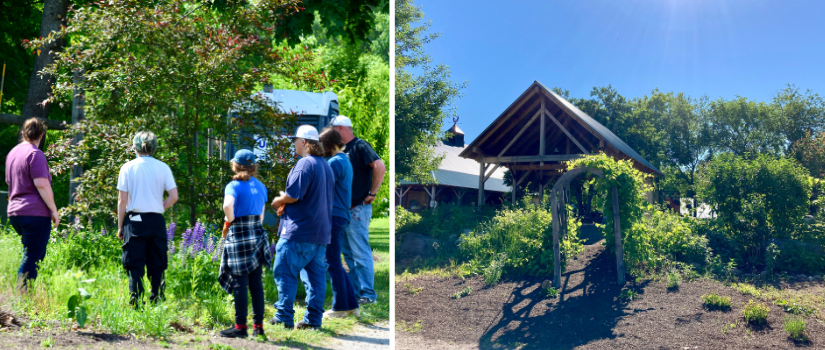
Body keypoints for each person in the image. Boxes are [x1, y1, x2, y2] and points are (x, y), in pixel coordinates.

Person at [269, 125, 334, 330]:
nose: (294, 144)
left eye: (295, 140)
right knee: (316, 280)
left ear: (304, 142)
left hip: (299, 231)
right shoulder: (326, 166)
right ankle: (313, 320)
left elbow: (295, 194)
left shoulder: (305, 164)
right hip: (320, 233)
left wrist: (279, 201)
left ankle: (283, 316)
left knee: (285, 272)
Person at [303, 127, 360, 318]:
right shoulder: (345, 160)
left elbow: (322, 186)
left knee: (331, 262)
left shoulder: (335, 162)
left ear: (329, 145)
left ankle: (339, 308)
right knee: (336, 261)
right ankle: (351, 305)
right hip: (341, 215)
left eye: (323, 146)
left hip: (333, 216)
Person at [117, 131, 178, 307]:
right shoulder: (163, 167)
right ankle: (156, 300)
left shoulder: (127, 167)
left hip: (134, 221)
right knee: (157, 262)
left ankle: (135, 301)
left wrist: (121, 226)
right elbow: (173, 196)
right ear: (154, 147)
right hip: (156, 221)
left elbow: (122, 201)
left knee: (134, 263)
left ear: (134, 146)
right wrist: (159, 207)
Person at [330, 116, 385, 304]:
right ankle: (355, 292)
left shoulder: (360, 145)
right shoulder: (339, 151)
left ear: (340, 128)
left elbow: (379, 166)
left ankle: (368, 294)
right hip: (344, 210)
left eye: (332, 129)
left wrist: (373, 193)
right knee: (348, 252)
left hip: (358, 209)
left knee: (360, 251)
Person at [217, 149, 271, 338]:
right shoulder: (261, 186)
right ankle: (258, 327)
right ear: (254, 167)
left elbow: (227, 206)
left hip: (239, 232)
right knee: (256, 283)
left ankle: (240, 327)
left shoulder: (234, 186)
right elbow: (261, 215)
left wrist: (231, 221)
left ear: (235, 165)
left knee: (240, 282)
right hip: (256, 232)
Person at [5, 118, 60, 292]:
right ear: (41, 135)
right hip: (34, 213)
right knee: (33, 255)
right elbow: (42, 184)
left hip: (15, 211)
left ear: (23, 133)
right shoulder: (35, 154)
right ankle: (22, 295)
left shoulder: (12, 154)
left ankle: (23, 292)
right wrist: (53, 210)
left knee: (31, 252)